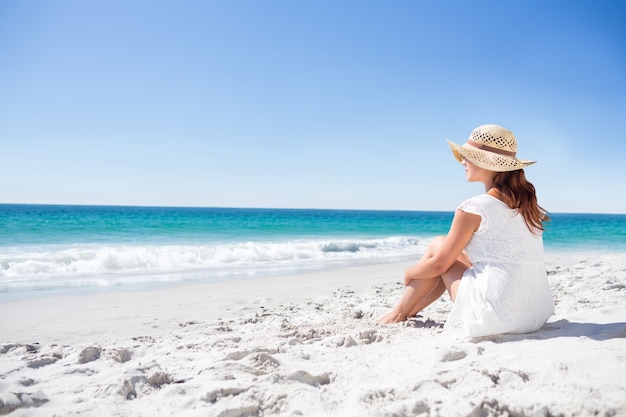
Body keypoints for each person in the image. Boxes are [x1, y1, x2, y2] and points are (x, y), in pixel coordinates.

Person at [377, 124, 555, 338]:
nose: (463, 161)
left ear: (486, 162)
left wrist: (409, 273)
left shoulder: (475, 206)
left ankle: (399, 312)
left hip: (496, 315)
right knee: (447, 251)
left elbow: (440, 264)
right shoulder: (526, 206)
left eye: (468, 156)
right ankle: (405, 311)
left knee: (438, 246)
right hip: (533, 315)